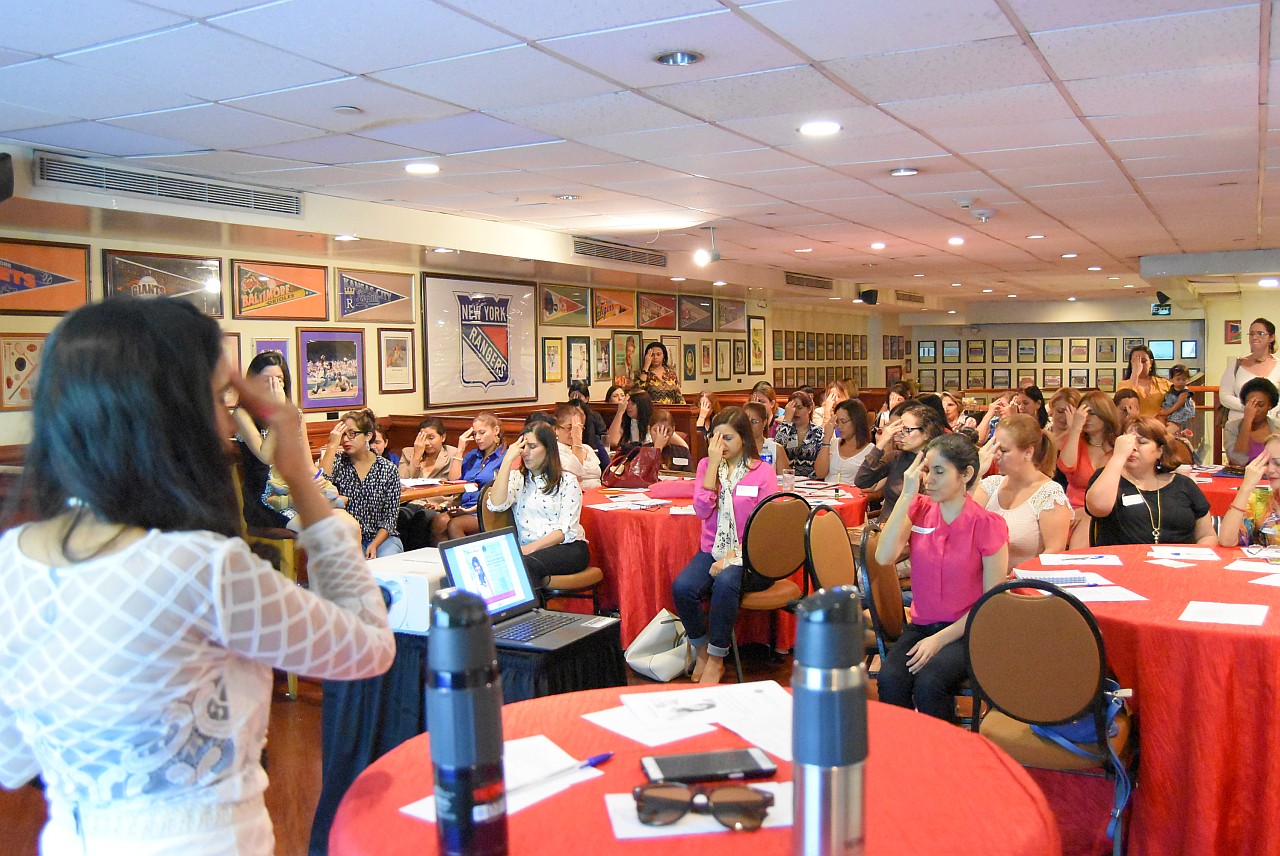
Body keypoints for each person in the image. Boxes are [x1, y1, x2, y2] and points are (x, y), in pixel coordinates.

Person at [0, 298, 394, 854]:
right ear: (168, 417)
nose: (226, 423)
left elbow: (13, 757)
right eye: (216, 399)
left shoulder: (13, 560)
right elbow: (369, 648)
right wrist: (302, 477)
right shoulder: (201, 568)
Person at [875, 435, 1009, 722]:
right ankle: (904, 746)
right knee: (890, 679)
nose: (929, 480)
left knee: (930, 683)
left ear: (966, 474)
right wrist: (906, 495)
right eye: (927, 471)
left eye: (939, 471)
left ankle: (942, 747)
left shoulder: (987, 524)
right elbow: (884, 557)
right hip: (922, 626)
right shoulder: (920, 508)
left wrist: (938, 640)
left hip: (966, 630)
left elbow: (990, 603)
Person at [671, 407, 779, 686]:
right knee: (682, 587)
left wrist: (732, 557)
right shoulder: (707, 466)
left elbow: (766, 529)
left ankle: (717, 658)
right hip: (712, 549)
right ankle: (702, 651)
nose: (721, 445)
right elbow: (701, 510)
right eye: (715, 438)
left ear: (744, 438)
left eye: (728, 438)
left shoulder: (762, 472)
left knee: (726, 581)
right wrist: (712, 469)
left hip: (750, 555)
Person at [486, 422, 589, 587]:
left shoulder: (567, 481)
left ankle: (533, 605)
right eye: (523, 447)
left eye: (532, 447)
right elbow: (496, 504)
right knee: (497, 564)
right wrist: (507, 461)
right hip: (528, 549)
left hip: (568, 547)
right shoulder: (517, 478)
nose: (525, 452)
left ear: (548, 449)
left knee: (526, 564)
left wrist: (527, 550)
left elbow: (564, 531)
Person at [1084, 417, 1215, 546]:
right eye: (1127, 442)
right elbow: (1098, 508)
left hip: (1179, 558)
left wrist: (1197, 555)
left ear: (1160, 451)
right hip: (1125, 558)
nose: (1133, 448)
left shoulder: (1184, 485)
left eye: (1142, 442)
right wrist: (1118, 456)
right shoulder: (1106, 477)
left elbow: (1207, 535)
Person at [973, 414, 1071, 572]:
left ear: (1028, 453)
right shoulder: (991, 485)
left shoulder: (1049, 494)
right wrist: (976, 474)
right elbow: (962, 523)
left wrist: (1015, 577)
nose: (995, 456)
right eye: (994, 448)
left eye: (1003, 450)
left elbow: (1054, 551)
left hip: (1024, 581)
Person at [233, 350, 304, 531]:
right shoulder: (242, 414)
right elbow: (265, 456)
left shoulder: (294, 414)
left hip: (295, 491)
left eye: (279, 379)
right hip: (266, 498)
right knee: (323, 532)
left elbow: (307, 463)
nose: (274, 385)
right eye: (267, 379)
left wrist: (317, 480)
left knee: (348, 526)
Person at [320, 408, 404, 558]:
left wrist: (374, 544)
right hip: (346, 537)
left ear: (368, 436)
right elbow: (320, 484)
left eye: (352, 434)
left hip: (381, 539)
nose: (346, 440)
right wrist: (332, 445)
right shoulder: (338, 462)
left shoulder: (387, 469)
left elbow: (390, 518)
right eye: (343, 434)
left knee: (386, 561)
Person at [855, 403, 948, 523]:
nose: (899, 435)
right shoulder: (896, 457)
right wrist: (880, 444)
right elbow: (862, 481)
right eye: (899, 430)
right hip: (884, 526)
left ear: (926, 433)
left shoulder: (936, 464)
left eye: (906, 430)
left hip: (917, 527)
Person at [433, 412, 506, 543]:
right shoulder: (473, 456)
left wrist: (468, 511)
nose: (477, 438)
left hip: (487, 510)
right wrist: (460, 450)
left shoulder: (504, 457)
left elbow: (499, 493)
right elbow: (453, 481)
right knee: (440, 520)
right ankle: (442, 557)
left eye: (482, 433)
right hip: (464, 506)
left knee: (455, 524)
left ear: (496, 430)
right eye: (475, 434)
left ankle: (467, 556)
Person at [1057, 390, 1122, 512]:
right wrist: (1075, 428)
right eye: (1083, 413)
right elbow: (1066, 467)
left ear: (1105, 414)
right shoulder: (1075, 439)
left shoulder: (1118, 444)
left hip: (1110, 509)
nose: (1086, 418)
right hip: (1075, 508)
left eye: (1091, 413)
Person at [1219, 318, 1280, 434]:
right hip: (1237, 425)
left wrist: (1266, 409)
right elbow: (1224, 396)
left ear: (1271, 337)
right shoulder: (1237, 364)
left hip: (1270, 427)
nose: (1255, 337)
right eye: (1251, 334)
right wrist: (1249, 408)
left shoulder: (1278, 366)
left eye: (1260, 333)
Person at [1217, 436, 1280, 547]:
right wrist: (1246, 487)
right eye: (1266, 463)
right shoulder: (1259, 500)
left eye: (1278, 463)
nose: (1269, 470)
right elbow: (1227, 541)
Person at [816, 398, 874, 485]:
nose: (839, 427)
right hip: (828, 491)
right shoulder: (834, 443)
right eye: (837, 422)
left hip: (852, 491)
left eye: (843, 422)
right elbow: (820, 473)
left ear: (857, 421)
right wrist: (827, 438)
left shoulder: (870, 450)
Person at [1225, 378, 1280, 465]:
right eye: (1250, 404)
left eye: (1260, 405)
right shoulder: (1231, 427)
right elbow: (1238, 461)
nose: (1255, 410)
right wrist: (1247, 421)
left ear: (1270, 406)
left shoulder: (1278, 426)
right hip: (1243, 473)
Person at [775, 390, 825, 478]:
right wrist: (787, 420)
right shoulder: (784, 429)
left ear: (809, 409)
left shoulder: (818, 432)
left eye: (799, 408)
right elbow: (776, 450)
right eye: (793, 408)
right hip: (787, 479)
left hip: (811, 480)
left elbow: (822, 462)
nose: (795, 412)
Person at [553, 403, 603, 489]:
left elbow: (599, 474)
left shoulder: (587, 449)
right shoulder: (555, 451)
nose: (574, 432)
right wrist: (577, 441)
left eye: (578, 428)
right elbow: (576, 474)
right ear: (556, 429)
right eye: (569, 428)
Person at [1117, 344, 1170, 418]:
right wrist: (1135, 373)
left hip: (1159, 422)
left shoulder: (1164, 383)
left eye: (1143, 361)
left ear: (1151, 362)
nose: (1139, 365)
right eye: (1135, 361)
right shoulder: (1123, 384)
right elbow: (1125, 403)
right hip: (1134, 422)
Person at [744, 401, 790, 474]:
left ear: (764, 423)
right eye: (746, 421)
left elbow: (784, 478)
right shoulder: (736, 448)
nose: (749, 425)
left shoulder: (776, 449)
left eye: (754, 421)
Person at [1160, 364, 1195, 432]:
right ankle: (1161, 430)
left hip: (1180, 411)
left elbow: (1179, 404)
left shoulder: (1184, 392)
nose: (1181, 382)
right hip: (1170, 408)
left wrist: (1167, 412)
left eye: (1184, 379)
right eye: (1178, 379)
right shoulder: (1171, 388)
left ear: (1188, 380)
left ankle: (1168, 432)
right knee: (1160, 418)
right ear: (1171, 379)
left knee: (1174, 422)